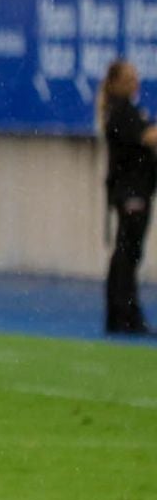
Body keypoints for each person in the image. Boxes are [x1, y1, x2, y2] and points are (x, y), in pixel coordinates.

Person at [99, 58, 157, 335]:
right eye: (130, 77)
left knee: (129, 253)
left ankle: (122, 313)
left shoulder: (128, 111)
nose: (136, 82)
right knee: (127, 253)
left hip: (136, 189)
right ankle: (124, 314)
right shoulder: (122, 113)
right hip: (131, 192)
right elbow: (147, 137)